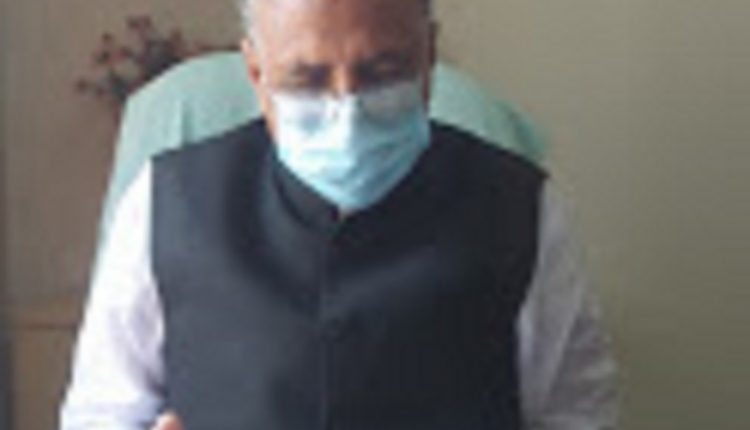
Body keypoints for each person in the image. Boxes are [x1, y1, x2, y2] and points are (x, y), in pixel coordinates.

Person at [60, 0, 618, 428]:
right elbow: (101, 412)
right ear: (256, 73)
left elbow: (576, 414)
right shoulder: (167, 204)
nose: (348, 109)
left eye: (382, 72)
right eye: (307, 80)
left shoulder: (518, 209)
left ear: (428, 58)